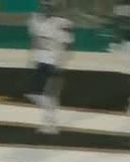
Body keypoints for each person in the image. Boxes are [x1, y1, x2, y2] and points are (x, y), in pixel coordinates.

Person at [26, 0, 73, 135]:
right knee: (37, 94)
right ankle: (50, 120)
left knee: (46, 93)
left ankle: (49, 123)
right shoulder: (35, 20)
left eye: (49, 6)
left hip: (52, 61)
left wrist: (62, 61)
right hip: (41, 60)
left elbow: (67, 44)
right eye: (44, 5)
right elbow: (34, 40)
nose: (46, 8)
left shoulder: (60, 23)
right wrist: (32, 57)